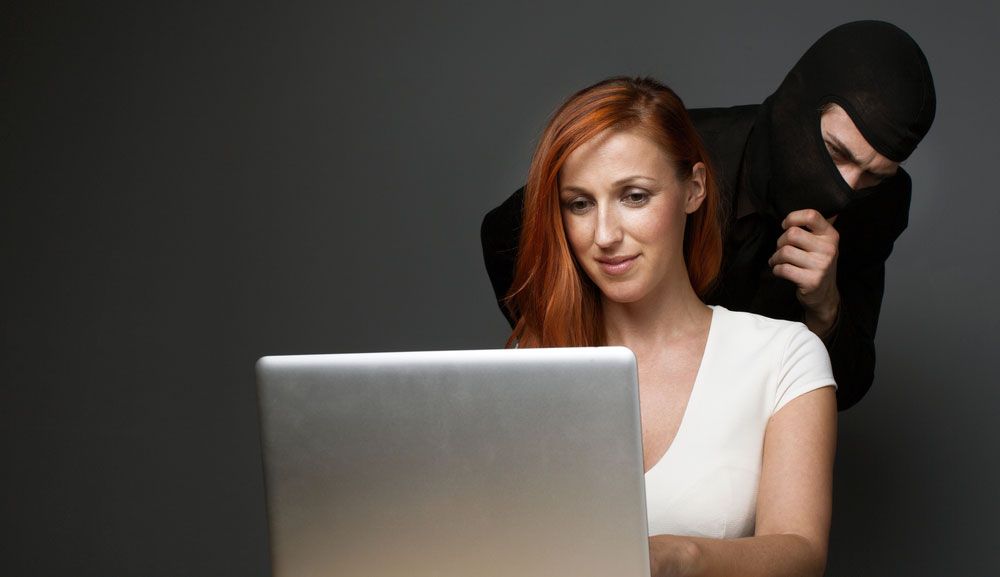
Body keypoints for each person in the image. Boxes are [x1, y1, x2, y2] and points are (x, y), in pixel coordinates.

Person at [483, 20, 936, 410]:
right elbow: (507, 234)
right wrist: (574, 348)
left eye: (875, 175)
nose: (849, 189)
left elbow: (848, 387)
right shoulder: (674, 158)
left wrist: (825, 307)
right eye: (835, 152)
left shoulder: (881, 205)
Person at [509, 76, 836, 577]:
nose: (604, 235)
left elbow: (802, 554)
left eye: (634, 196)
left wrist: (682, 556)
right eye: (579, 203)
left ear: (694, 189)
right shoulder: (533, 360)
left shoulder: (784, 355)